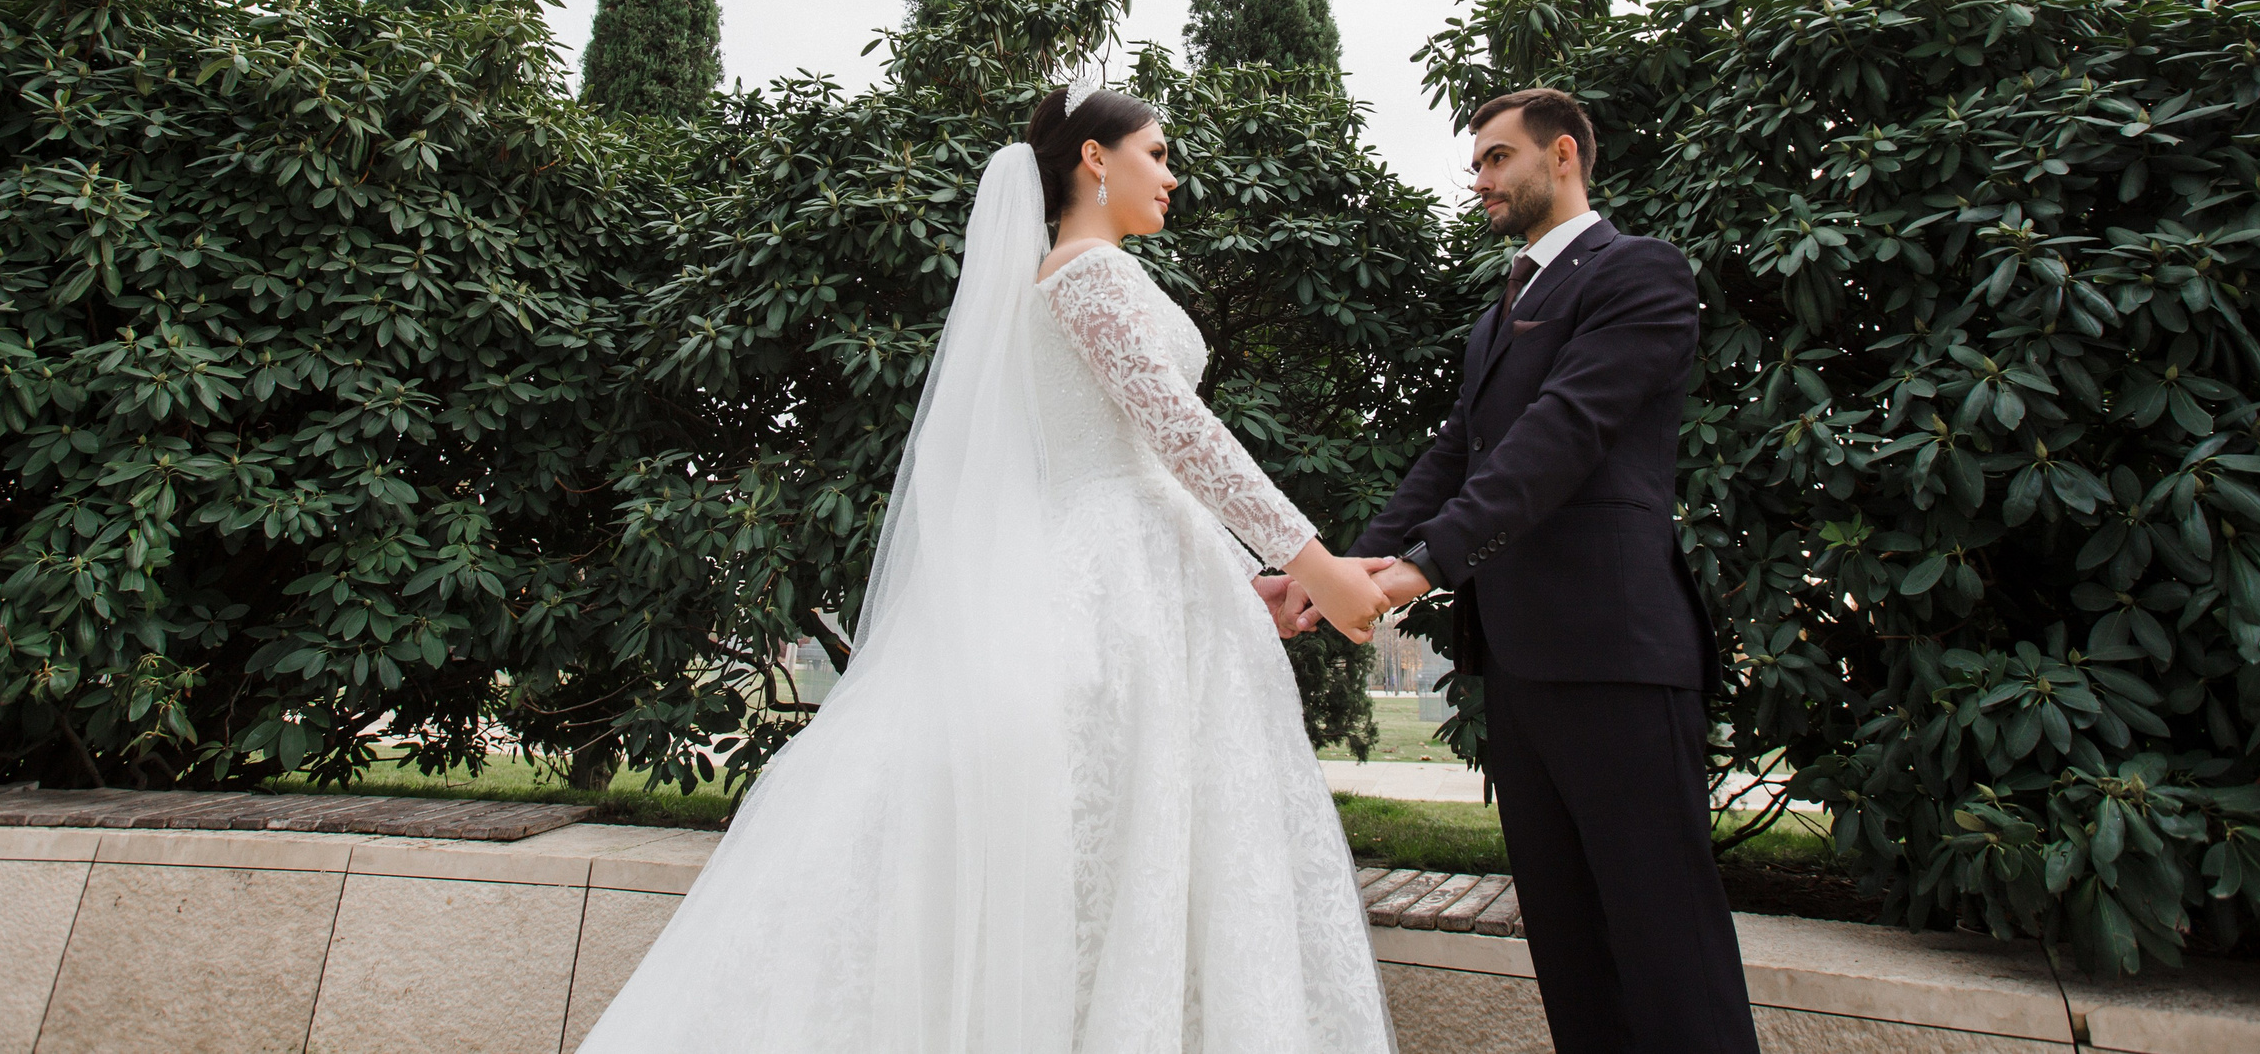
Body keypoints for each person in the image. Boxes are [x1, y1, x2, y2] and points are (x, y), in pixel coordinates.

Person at [577, 83, 1399, 1054]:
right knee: (1106, 836)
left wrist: (1232, 580)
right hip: (1113, 576)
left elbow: (1135, 460)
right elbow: (1177, 431)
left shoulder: (1088, 273)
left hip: (1144, 568)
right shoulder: (1084, 273)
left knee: (1155, 829)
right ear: (1095, 159)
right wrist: (1314, 561)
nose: (1172, 176)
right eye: (1158, 153)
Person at [1318, 88, 1759, 1054]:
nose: (1479, 179)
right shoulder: (1498, 315)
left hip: (1618, 658)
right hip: (1519, 670)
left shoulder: (1639, 273)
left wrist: (1421, 568)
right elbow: (1454, 458)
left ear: (1563, 155)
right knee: (1569, 951)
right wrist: (1331, 574)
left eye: (1495, 158)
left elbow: (1557, 441)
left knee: (1666, 945)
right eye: (1476, 161)